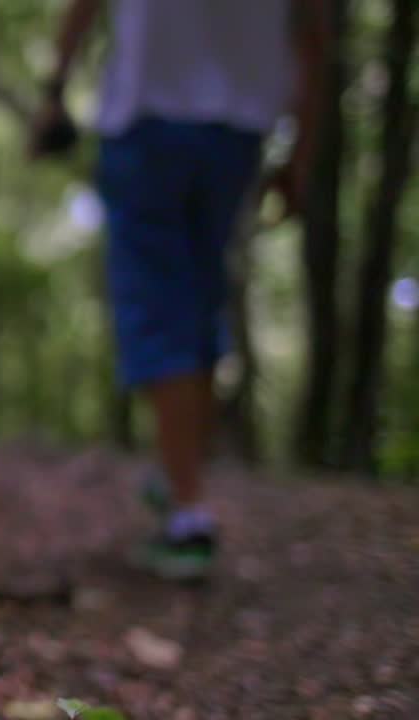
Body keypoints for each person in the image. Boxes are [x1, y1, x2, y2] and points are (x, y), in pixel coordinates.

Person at [31, 0, 329, 579]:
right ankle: (179, 477)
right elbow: (313, 35)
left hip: (148, 120)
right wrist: (302, 154)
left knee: (155, 305)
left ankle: (189, 510)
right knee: (196, 299)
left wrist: (54, 91)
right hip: (237, 133)